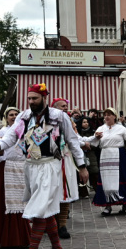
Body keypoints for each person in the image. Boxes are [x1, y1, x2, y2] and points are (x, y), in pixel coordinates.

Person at [0, 83, 88, 249]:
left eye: (35, 98)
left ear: (44, 98)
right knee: (45, 208)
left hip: (50, 165)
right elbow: (11, 135)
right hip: (31, 166)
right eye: (29, 98)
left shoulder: (59, 116)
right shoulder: (24, 116)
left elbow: (73, 141)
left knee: (40, 207)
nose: (31, 101)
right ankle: (57, 247)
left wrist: (82, 166)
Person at [81, 107, 126, 216]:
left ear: (114, 116)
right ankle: (107, 205)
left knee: (121, 178)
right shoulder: (100, 128)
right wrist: (95, 138)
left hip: (119, 155)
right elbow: (94, 144)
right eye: (105, 115)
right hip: (105, 156)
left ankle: (124, 202)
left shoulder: (121, 128)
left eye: (109, 114)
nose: (107, 116)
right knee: (106, 181)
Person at [0, 107, 30, 249]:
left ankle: (22, 237)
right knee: (7, 203)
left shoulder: (25, 130)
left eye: (16, 114)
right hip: (6, 168)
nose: (13, 116)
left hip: (21, 167)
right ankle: (8, 238)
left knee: (22, 201)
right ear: (6, 117)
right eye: (11, 115)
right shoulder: (3, 132)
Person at [51, 98, 81, 239]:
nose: (65, 108)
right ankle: (52, 224)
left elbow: (74, 139)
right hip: (50, 160)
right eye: (62, 106)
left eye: (66, 106)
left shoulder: (69, 121)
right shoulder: (47, 121)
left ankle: (62, 225)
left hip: (66, 158)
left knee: (65, 192)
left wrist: (90, 140)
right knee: (51, 192)